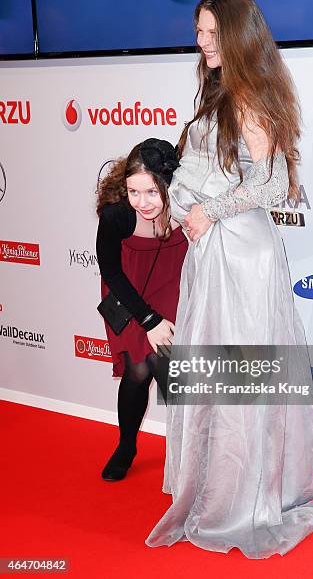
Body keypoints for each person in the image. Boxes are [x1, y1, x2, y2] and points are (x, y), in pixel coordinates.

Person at [146, 0, 313, 558]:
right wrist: (184, 199)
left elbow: (272, 187)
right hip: (213, 254)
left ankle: (246, 499)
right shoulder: (218, 90)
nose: (201, 44)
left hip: (243, 255)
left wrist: (208, 210)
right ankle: (217, 489)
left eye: (212, 35)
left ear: (239, 38)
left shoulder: (249, 95)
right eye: (198, 32)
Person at [96, 138, 187, 481]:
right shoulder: (117, 214)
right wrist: (148, 320)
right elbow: (111, 271)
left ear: (169, 183)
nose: (142, 202)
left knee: (177, 369)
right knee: (139, 369)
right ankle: (127, 444)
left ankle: (188, 455)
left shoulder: (186, 204)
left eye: (151, 192)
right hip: (130, 290)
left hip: (173, 284)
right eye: (134, 192)